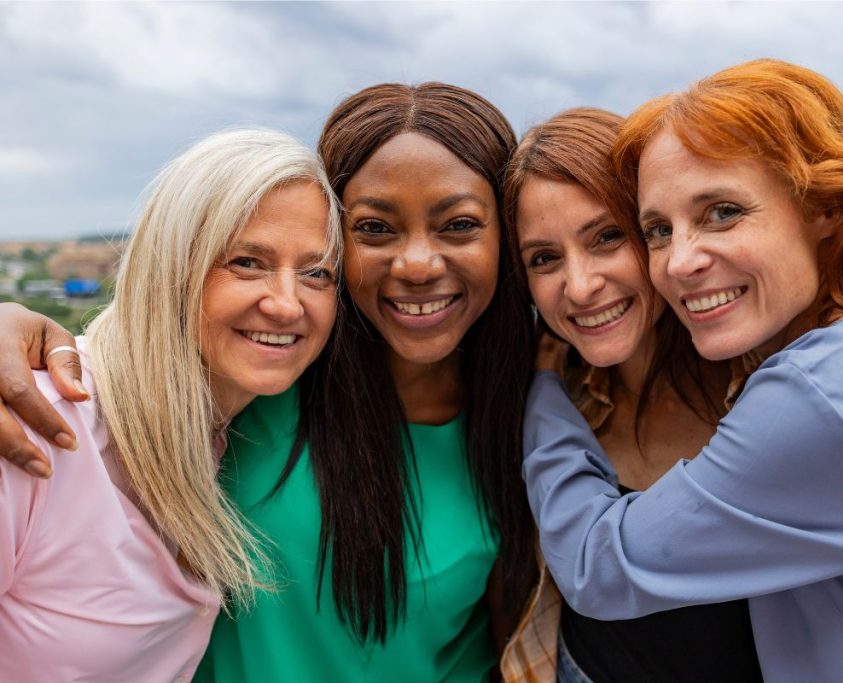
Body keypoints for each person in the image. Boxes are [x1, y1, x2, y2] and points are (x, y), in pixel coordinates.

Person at [0, 83, 536, 681]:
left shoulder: (535, 417)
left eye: (459, 224)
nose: (416, 264)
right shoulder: (252, 389)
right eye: (375, 229)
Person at [522, 59, 843, 681]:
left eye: (722, 212)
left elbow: (601, 568)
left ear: (829, 208)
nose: (679, 262)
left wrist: (541, 391)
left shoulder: (834, 388)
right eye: (657, 229)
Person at [0, 127, 340, 681]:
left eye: (316, 272)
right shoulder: (35, 426)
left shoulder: (232, 431)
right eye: (247, 262)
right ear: (170, 268)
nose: (286, 303)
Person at [501, 107, 761, 682]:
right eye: (543, 258)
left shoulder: (764, 394)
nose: (580, 285)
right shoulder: (550, 399)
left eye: (607, 237)